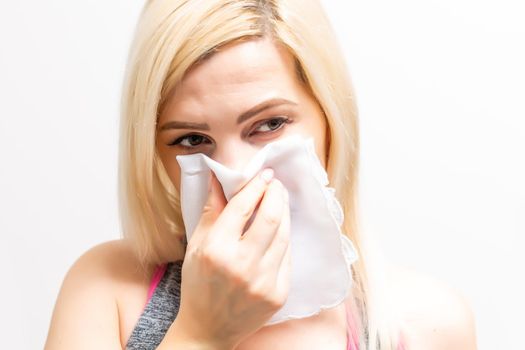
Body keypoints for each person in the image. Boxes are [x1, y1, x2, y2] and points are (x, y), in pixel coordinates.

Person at [44, 1, 478, 349]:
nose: (236, 174)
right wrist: (200, 335)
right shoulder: (108, 290)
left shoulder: (425, 325)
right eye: (192, 140)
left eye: (269, 125)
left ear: (330, 119)